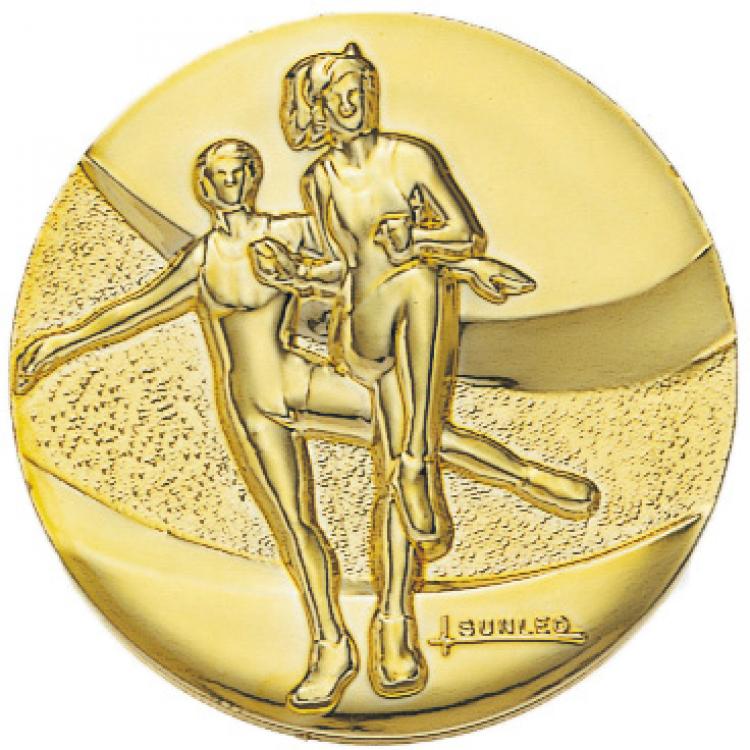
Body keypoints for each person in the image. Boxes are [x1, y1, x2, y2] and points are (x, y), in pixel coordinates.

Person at [16, 138, 597, 713]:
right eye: (220, 176)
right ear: (204, 187)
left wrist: (464, 262)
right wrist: (61, 342)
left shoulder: (290, 232)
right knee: (297, 529)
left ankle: (528, 477)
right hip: (250, 407)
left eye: (241, 172)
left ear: (253, 178)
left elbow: (367, 261)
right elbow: (135, 308)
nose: (231, 184)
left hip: (301, 380)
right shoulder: (203, 258)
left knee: (418, 436)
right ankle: (330, 645)